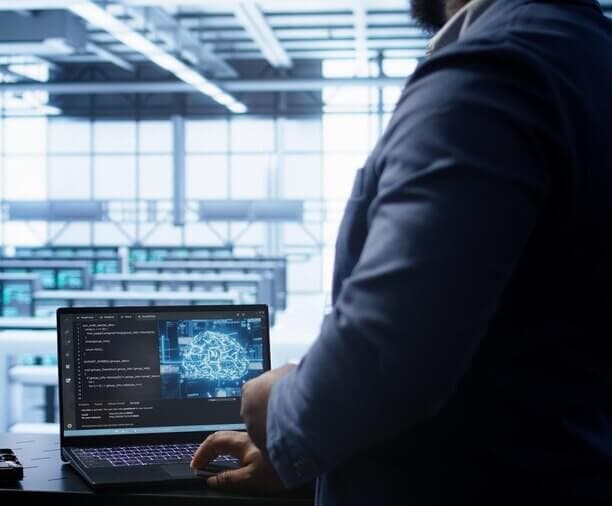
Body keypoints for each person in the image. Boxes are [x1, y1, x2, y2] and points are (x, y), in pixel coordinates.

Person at [191, 0, 612, 504]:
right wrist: (304, 454)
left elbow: (393, 344)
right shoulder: (588, 55)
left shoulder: (491, 73)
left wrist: (282, 412)